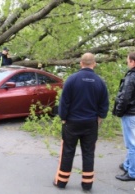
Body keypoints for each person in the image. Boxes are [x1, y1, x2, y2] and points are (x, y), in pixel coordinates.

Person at [53, 53, 109, 191]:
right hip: (91, 123)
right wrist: (100, 119)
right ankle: (87, 184)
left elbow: (64, 102)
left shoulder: (71, 80)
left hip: (72, 122)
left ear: (81, 63)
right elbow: (104, 105)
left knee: (67, 151)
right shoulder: (100, 81)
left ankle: (61, 181)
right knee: (89, 153)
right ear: (94, 64)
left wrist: (63, 117)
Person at [113, 52, 135, 181]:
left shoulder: (131, 77)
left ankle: (132, 172)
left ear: (132, 62)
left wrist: (119, 111)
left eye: (128, 60)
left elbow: (125, 96)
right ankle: (127, 164)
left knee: (132, 144)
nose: (127, 63)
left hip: (130, 114)